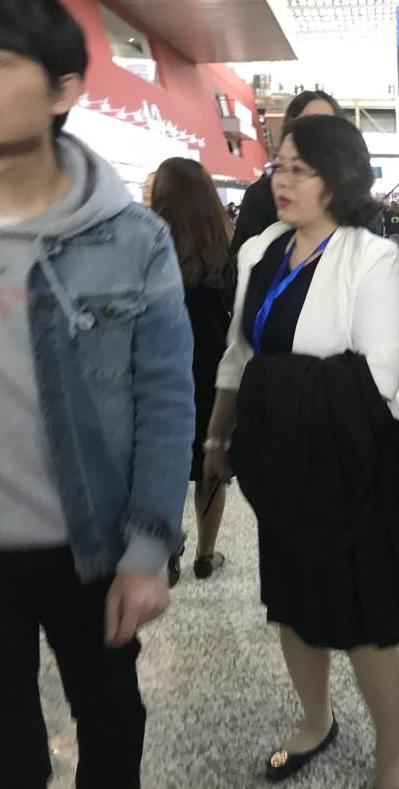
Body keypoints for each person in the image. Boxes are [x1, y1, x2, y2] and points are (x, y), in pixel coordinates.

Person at [0, 2, 195, 789]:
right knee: (4, 772)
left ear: (63, 89)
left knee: (111, 727)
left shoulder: (132, 238)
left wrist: (148, 550)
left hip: (93, 547)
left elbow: (165, 398)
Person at [204, 116, 399, 789]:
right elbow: (240, 354)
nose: (282, 180)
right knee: (293, 609)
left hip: (352, 470)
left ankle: (392, 754)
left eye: (300, 168)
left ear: (341, 177)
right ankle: (317, 721)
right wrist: (218, 438)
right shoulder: (261, 249)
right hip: (281, 466)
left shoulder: (370, 258)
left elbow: (376, 377)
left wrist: (270, 383)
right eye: (279, 166)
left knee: (364, 624)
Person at [150, 158, 233, 580]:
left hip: (161, 366)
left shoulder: (148, 242)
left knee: (163, 463)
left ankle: (167, 555)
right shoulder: (226, 243)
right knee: (209, 462)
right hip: (214, 369)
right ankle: (205, 554)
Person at [227, 90, 343, 278]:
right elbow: (235, 274)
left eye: (327, 125)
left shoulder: (353, 200)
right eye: (308, 124)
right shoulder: (262, 196)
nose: (318, 134)